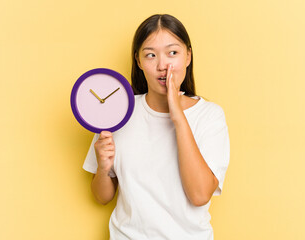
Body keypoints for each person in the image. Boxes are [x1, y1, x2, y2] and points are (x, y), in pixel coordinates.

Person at [83, 14, 230, 240]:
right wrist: (103, 168)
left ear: (188, 56)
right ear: (139, 61)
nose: (163, 66)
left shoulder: (209, 115)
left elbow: (199, 195)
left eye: (173, 53)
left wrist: (178, 117)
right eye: (151, 55)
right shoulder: (117, 113)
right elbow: (102, 197)